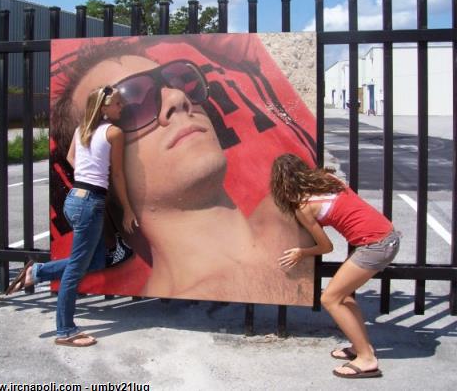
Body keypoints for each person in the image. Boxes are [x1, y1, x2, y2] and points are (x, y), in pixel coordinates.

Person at [48, 34, 317, 305]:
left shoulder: (295, 207)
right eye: (131, 105)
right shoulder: (298, 218)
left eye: (179, 80)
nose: (178, 97)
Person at [6, 85, 138, 347]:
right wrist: (128, 209)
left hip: (75, 199)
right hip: (90, 203)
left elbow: (69, 156)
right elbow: (117, 175)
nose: (121, 107)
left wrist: (86, 175)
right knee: (76, 270)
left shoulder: (82, 130)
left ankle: (37, 271)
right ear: (103, 107)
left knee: (95, 261)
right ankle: (65, 330)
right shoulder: (114, 132)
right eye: (118, 103)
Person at [270, 153, 400, 378]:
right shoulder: (330, 180)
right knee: (344, 296)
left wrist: (301, 252)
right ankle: (361, 347)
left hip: (375, 245)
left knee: (330, 299)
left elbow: (326, 246)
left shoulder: (304, 207)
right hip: (386, 237)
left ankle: (367, 359)